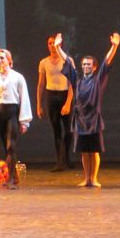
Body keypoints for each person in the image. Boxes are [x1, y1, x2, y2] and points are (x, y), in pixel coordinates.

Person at [55, 31, 120, 187]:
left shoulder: (97, 80)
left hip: (93, 121)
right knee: (84, 151)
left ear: (94, 67)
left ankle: (94, 178)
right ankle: (86, 178)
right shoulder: (77, 80)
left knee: (94, 151)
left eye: (89, 64)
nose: (86, 66)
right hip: (80, 121)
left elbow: (107, 61)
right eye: (84, 64)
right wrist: (57, 47)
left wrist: (114, 46)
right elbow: (67, 61)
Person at [0, 49, 32, 188]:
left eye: (2, 58)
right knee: (7, 148)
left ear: (9, 59)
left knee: (11, 146)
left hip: (12, 113)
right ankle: (14, 176)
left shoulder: (18, 77)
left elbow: (24, 98)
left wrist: (24, 121)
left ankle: (10, 179)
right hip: (0, 114)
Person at [37, 35, 74, 172]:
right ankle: (60, 161)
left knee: (68, 130)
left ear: (60, 44)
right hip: (51, 96)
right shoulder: (43, 62)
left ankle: (66, 157)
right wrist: (39, 105)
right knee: (56, 130)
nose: (52, 45)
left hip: (64, 94)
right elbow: (41, 84)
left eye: (54, 43)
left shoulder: (67, 60)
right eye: (49, 43)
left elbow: (72, 83)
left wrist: (68, 102)